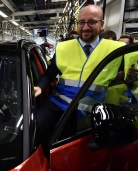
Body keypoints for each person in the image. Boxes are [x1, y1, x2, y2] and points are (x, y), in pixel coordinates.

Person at [34, 5, 126, 158]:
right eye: (81, 23)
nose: (85, 27)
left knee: (71, 150)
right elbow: (49, 74)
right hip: (58, 104)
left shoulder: (116, 49)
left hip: (89, 111)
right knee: (33, 130)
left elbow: (120, 76)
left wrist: (128, 77)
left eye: (91, 22)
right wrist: (39, 87)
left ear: (102, 24)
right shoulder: (64, 47)